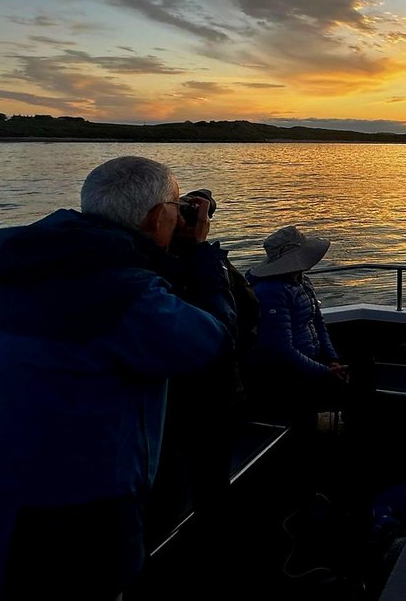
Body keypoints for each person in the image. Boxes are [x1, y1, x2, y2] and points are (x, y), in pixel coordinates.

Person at [0, 156, 236, 601]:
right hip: (79, 515)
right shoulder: (125, 294)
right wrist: (200, 254)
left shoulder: (24, 270)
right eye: (176, 207)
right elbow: (213, 344)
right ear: (157, 216)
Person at [146, 189, 260, 550]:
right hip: (203, 401)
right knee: (206, 488)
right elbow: (228, 328)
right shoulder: (197, 267)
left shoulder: (145, 268)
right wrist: (199, 249)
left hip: (172, 404)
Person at [243, 225, 350, 430]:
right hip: (288, 371)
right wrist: (324, 371)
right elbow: (281, 347)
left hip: (312, 357)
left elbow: (318, 322)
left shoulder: (301, 281)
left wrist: (332, 358)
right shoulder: (270, 291)